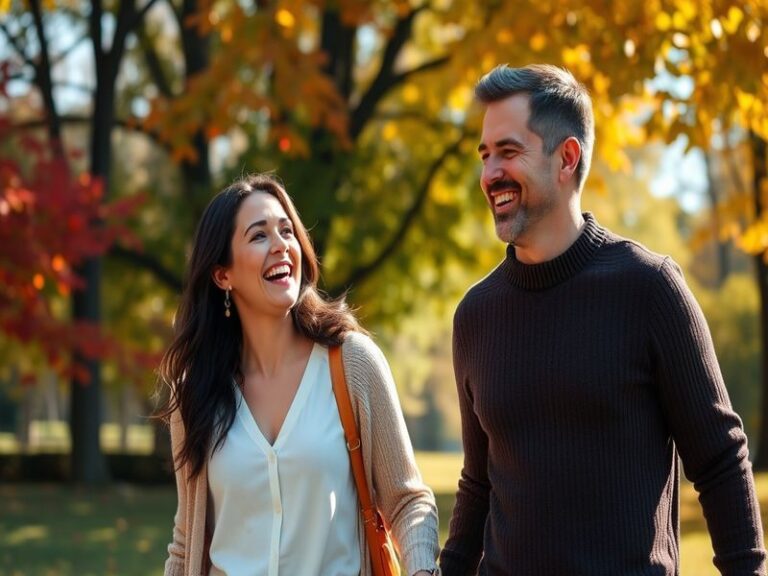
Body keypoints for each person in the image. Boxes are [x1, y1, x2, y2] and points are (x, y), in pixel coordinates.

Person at [438, 64, 767, 575]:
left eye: (508, 152)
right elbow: (478, 482)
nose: (490, 174)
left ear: (566, 157)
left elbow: (720, 461)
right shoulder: (476, 315)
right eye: (485, 156)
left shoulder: (649, 288)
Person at [158, 173, 440, 576]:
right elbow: (187, 542)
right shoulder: (194, 394)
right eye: (259, 236)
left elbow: (408, 502)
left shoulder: (352, 364)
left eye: (286, 230)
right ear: (223, 275)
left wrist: (423, 570)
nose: (281, 246)